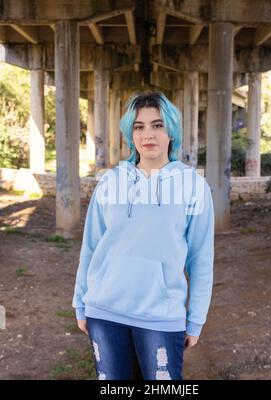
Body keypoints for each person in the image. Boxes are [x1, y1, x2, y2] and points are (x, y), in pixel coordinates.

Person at [72, 91, 215, 380]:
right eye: (139, 126)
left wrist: (195, 319)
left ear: (171, 132)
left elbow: (201, 258)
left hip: (161, 316)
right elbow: (91, 246)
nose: (148, 134)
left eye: (157, 125)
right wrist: (80, 301)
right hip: (104, 312)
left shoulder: (193, 185)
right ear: (131, 134)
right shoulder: (111, 181)